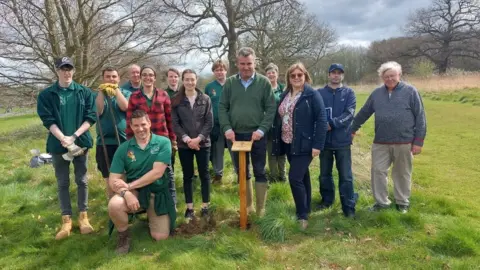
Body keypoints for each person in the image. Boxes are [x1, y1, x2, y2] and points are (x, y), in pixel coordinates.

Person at [351, 61, 427, 213]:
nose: (390, 79)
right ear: (382, 77)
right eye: (386, 77)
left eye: (393, 76)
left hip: (404, 141)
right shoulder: (376, 93)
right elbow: (364, 112)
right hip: (381, 142)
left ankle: (402, 203)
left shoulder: (411, 91)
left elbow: (420, 117)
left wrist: (418, 141)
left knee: (402, 173)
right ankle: (381, 203)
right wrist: (352, 129)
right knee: (378, 171)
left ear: (399, 75)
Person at [37, 56, 96, 240]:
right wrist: (63, 139)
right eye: (63, 68)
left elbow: (91, 116)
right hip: (58, 144)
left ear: (74, 70)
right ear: (57, 71)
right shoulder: (47, 95)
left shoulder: (84, 92)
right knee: (62, 183)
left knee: (82, 180)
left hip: (80, 142)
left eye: (69, 68)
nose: (66, 72)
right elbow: (48, 120)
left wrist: (74, 137)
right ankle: (66, 220)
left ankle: (84, 217)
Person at [108, 109, 176, 254]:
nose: (140, 129)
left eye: (143, 124)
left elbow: (157, 173)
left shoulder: (163, 142)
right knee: (114, 205)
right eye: (136, 126)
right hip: (135, 193)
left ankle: (152, 217)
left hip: (157, 192)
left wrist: (129, 185)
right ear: (131, 127)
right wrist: (126, 193)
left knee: (160, 237)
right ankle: (123, 236)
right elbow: (113, 180)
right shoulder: (123, 149)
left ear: (150, 123)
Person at [218, 47, 276, 217]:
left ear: (254, 63)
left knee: (259, 169)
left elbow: (271, 108)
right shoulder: (229, 83)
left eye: (249, 63)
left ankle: (260, 210)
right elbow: (222, 107)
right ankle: (247, 206)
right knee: (241, 171)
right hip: (234, 135)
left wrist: (262, 130)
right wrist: (227, 128)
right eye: (242, 64)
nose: (245, 67)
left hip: (256, 135)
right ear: (237, 64)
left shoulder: (264, 82)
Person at [271, 62, 328, 229]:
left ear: (305, 76)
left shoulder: (312, 95)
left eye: (299, 75)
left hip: (305, 144)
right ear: (289, 78)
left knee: (294, 178)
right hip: (288, 142)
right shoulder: (285, 93)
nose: (296, 78)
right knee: (303, 176)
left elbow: (322, 120)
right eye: (293, 75)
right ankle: (307, 207)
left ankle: (302, 215)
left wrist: (317, 145)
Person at [126, 65, 177, 208]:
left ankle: (171, 207)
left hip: (162, 141)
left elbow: (169, 119)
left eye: (150, 75)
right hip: (143, 142)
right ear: (141, 77)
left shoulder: (163, 95)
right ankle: (149, 208)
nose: (148, 78)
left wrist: (173, 140)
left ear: (155, 78)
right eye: (145, 75)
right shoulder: (134, 97)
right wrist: (130, 144)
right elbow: (130, 121)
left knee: (167, 175)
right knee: (147, 175)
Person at [317, 63, 358, 218]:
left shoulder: (349, 93)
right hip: (325, 142)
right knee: (324, 174)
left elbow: (349, 114)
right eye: (333, 73)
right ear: (328, 75)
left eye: (339, 73)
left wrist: (331, 124)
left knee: (346, 175)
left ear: (342, 75)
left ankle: (348, 206)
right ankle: (327, 200)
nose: (336, 75)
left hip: (343, 142)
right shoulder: (319, 93)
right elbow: (315, 113)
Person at [171, 69, 213, 219]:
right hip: (184, 145)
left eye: (192, 79)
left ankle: (205, 206)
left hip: (203, 144)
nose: (190, 82)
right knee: (187, 175)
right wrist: (188, 140)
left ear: (196, 80)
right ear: (183, 81)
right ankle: (189, 208)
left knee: (205, 175)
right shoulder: (176, 100)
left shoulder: (205, 99)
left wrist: (199, 139)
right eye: (187, 79)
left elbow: (209, 122)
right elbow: (175, 123)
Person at [95, 67, 130, 198]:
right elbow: (98, 111)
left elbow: (125, 107)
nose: (111, 79)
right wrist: (101, 93)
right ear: (103, 79)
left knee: (124, 174)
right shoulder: (98, 95)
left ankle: (126, 205)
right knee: (109, 177)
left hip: (123, 141)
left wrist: (116, 91)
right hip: (104, 142)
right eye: (108, 77)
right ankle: (113, 207)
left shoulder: (125, 93)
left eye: (114, 77)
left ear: (119, 78)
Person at [205, 59, 229, 184]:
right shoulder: (209, 87)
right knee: (217, 150)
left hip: (231, 124)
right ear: (214, 72)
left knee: (234, 149)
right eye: (217, 70)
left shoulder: (232, 84)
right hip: (216, 124)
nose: (219, 72)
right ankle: (218, 174)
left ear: (226, 70)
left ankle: (240, 173)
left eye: (221, 69)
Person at [264, 63, 287, 183]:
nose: (271, 75)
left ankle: (282, 176)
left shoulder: (284, 89)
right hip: (268, 126)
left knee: (282, 152)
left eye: (273, 72)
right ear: (266, 75)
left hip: (282, 125)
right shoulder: (263, 89)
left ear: (277, 74)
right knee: (271, 151)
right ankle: (273, 176)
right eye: (268, 73)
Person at [165, 68, 181, 172]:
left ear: (179, 78)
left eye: (175, 76)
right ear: (167, 78)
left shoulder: (184, 92)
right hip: (169, 129)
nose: (173, 79)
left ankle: (189, 177)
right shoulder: (163, 94)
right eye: (171, 76)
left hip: (184, 128)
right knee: (170, 156)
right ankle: (170, 179)